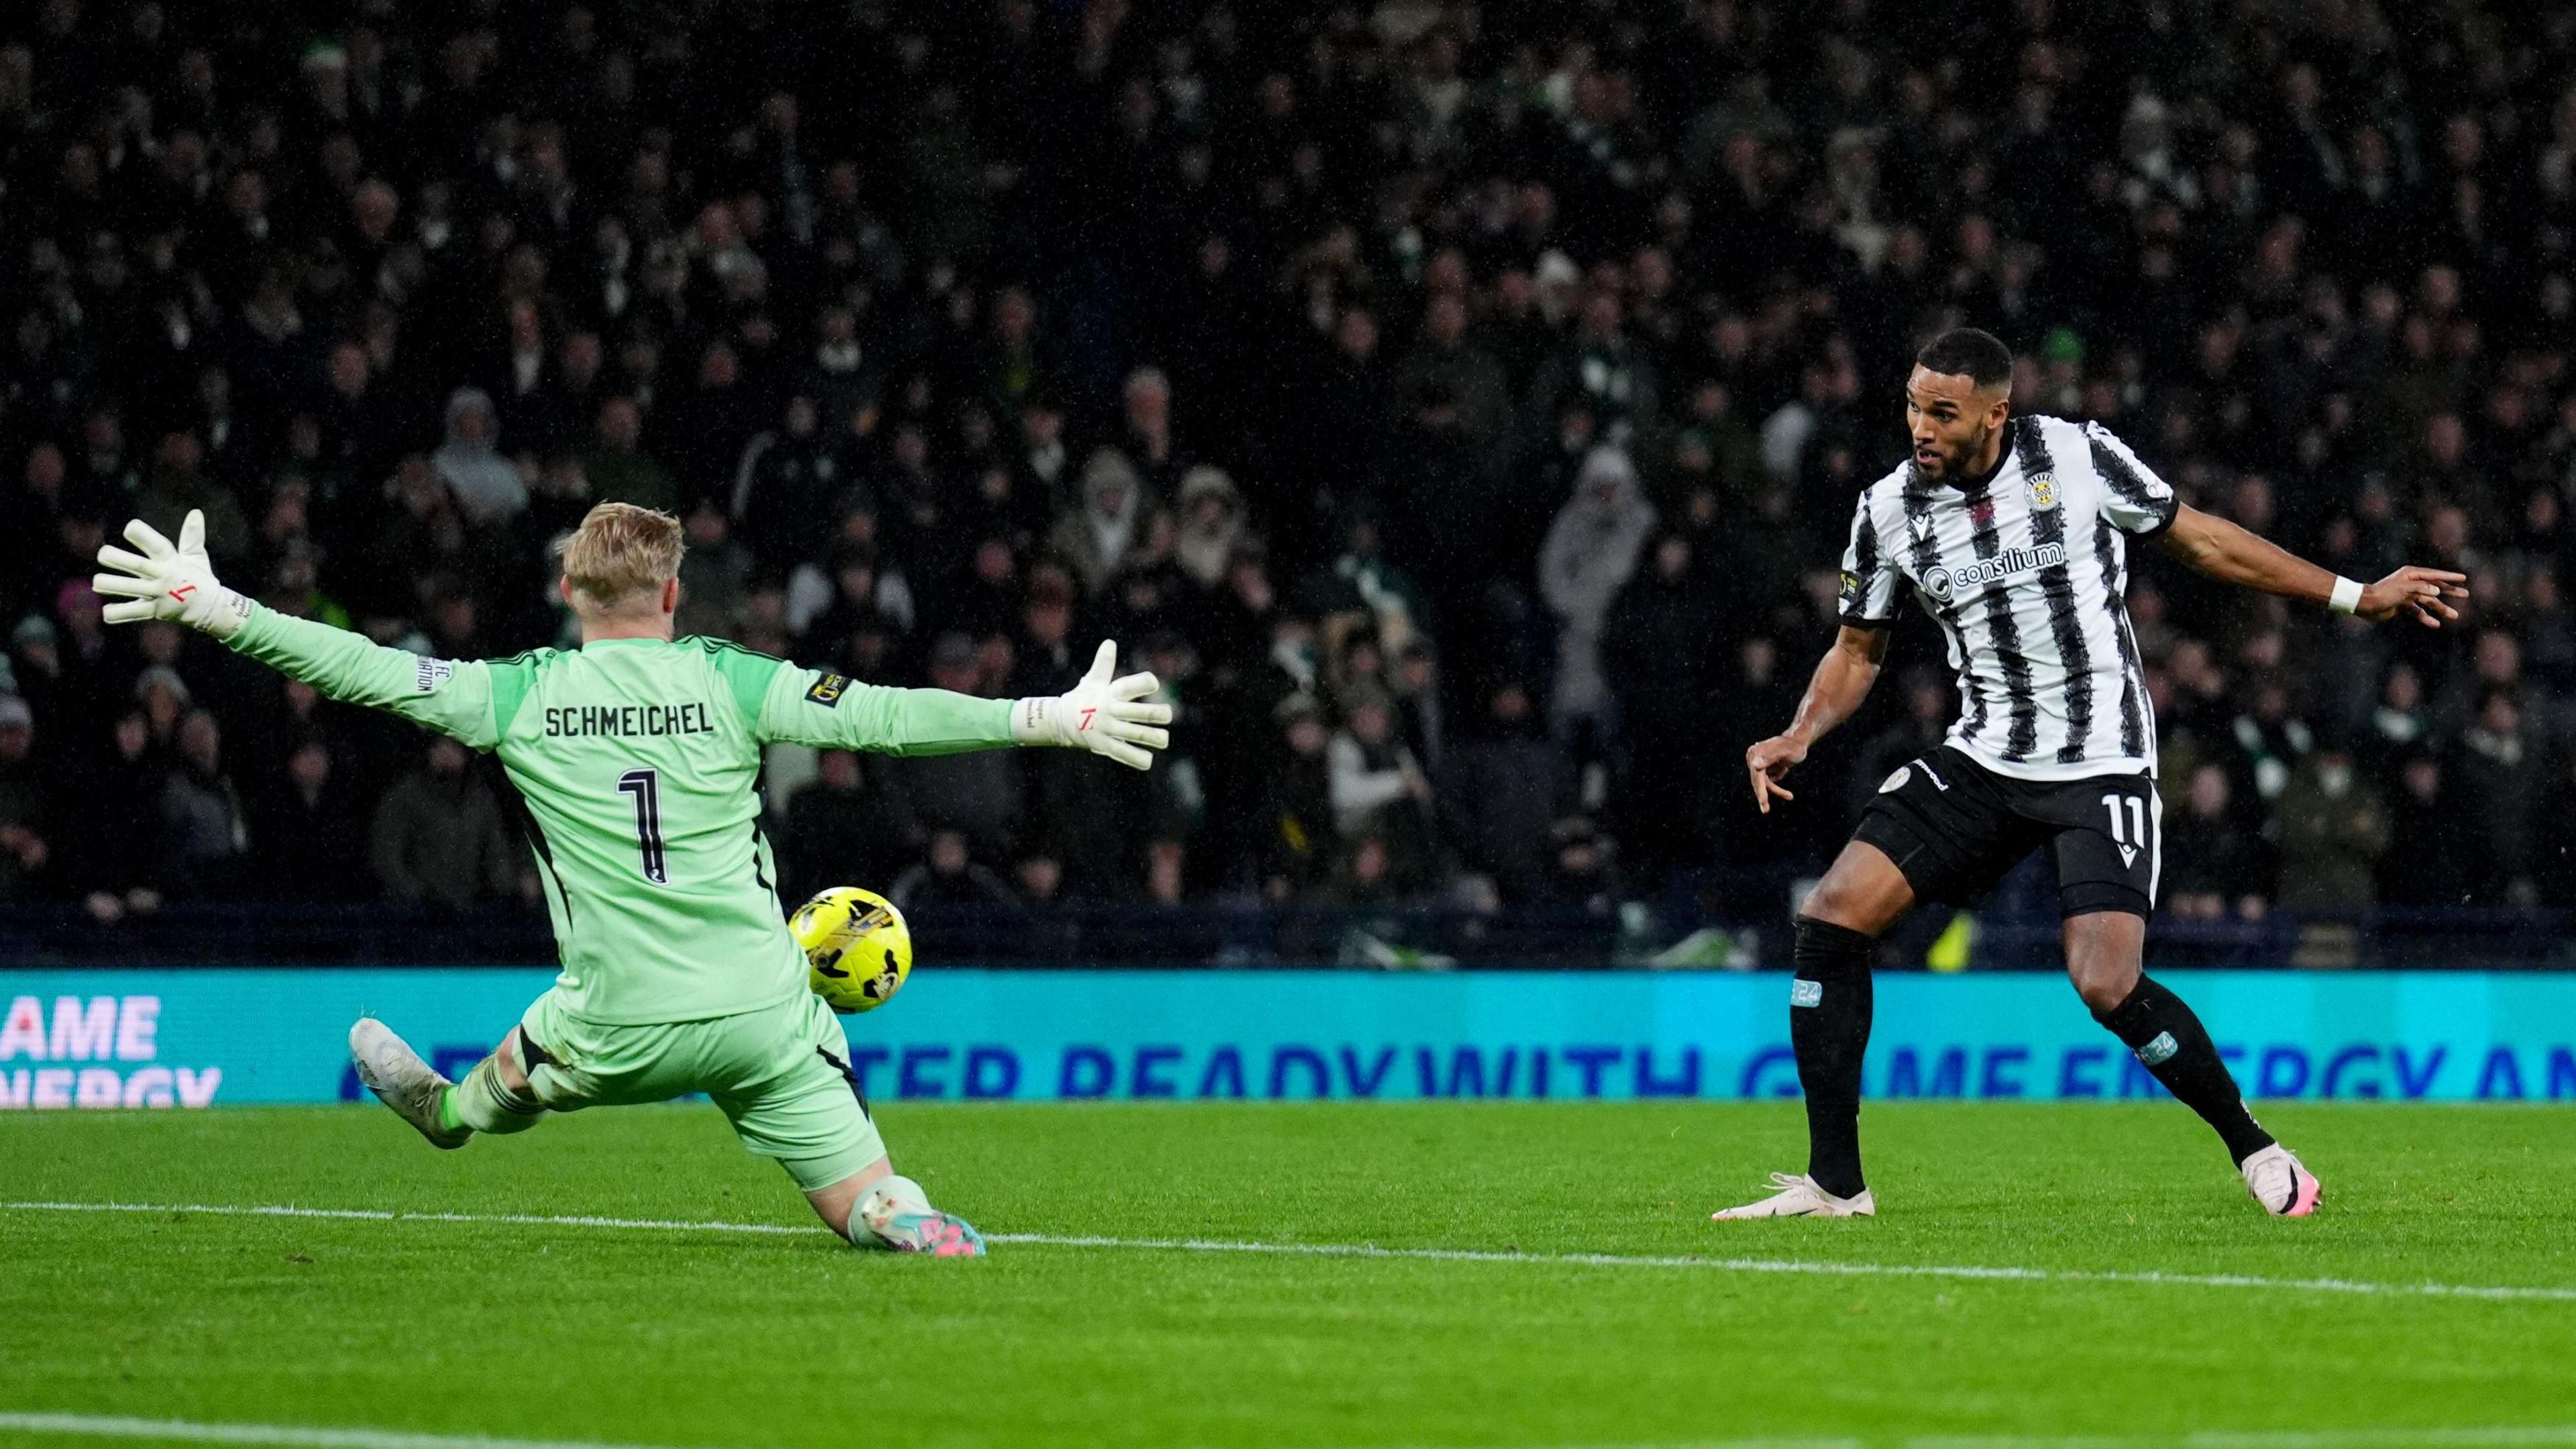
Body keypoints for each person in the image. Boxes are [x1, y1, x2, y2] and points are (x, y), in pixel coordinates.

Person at [93, 503, 1170, 1256]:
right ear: (673, 591)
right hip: (760, 1011)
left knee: (491, 1092)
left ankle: (448, 1110)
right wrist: (1049, 716)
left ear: (567, 590)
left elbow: (361, 670)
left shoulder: (514, 694)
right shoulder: (728, 676)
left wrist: (218, 607)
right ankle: (891, 1207)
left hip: (610, 1026)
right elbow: (889, 716)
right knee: (834, 1110)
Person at [1726, 328, 2465, 1222]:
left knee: (2106, 984)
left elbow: (2206, 542)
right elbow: (1856, 649)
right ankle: (1835, 1186)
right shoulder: (1886, 509)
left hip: (2100, 760)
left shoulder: (2074, 456)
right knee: (1832, 918)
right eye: (1914, 405)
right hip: (1985, 757)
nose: (1921, 425)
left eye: (1943, 411)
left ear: (1997, 412)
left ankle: (2255, 1145)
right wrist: (1800, 731)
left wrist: (2357, 594)